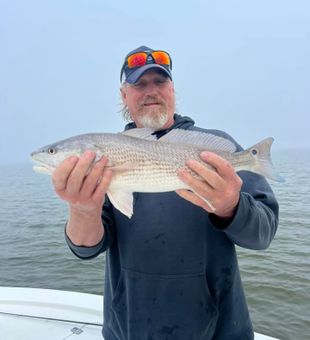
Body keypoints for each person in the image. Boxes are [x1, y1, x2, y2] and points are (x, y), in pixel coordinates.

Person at [52, 45, 279, 340]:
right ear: (124, 95)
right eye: (139, 84)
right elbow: (87, 248)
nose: (151, 91)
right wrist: (82, 209)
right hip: (130, 329)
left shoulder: (215, 146)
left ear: (172, 89)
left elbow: (263, 235)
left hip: (219, 330)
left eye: (160, 82)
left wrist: (230, 206)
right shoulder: (105, 157)